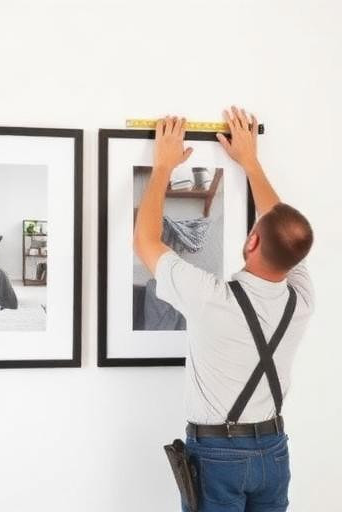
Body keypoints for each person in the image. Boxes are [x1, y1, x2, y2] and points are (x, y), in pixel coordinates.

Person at [133, 107, 314, 512]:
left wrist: (161, 167)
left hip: (218, 457)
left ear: (252, 242)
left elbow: (145, 241)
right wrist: (251, 162)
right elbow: (281, 228)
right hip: (274, 452)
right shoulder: (301, 298)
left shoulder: (211, 296)